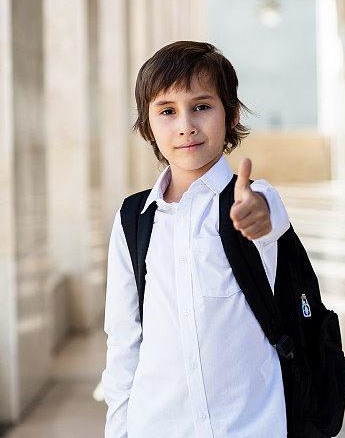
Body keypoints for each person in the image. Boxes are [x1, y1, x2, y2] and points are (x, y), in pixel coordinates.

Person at [101, 40, 291, 437]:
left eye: (202, 106)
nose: (186, 124)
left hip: (250, 426)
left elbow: (268, 221)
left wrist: (256, 217)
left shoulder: (258, 198)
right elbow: (124, 340)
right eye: (167, 111)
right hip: (157, 426)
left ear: (231, 113)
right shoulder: (134, 220)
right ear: (147, 124)